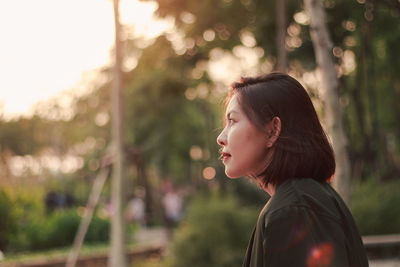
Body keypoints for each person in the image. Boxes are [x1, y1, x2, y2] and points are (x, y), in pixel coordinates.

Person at [217, 72, 369, 267]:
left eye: (233, 121)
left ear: (273, 131)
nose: (221, 137)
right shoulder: (302, 199)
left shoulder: (293, 209)